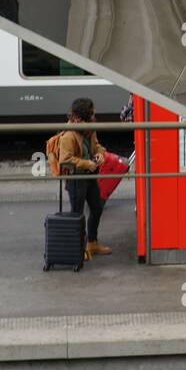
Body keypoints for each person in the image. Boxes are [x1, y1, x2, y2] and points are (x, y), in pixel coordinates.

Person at [56, 98, 111, 261]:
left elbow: (97, 146)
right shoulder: (68, 135)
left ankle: (92, 243)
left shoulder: (88, 128)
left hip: (89, 175)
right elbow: (65, 160)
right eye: (92, 113)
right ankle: (78, 248)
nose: (95, 116)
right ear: (81, 117)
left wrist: (100, 155)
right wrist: (87, 163)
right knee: (77, 214)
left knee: (97, 207)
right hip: (76, 178)